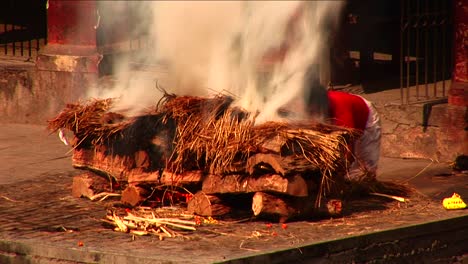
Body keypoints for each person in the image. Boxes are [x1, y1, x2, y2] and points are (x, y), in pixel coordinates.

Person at [325, 89, 381, 181]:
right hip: (340, 116)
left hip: (366, 116)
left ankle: (365, 187)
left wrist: (342, 166)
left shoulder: (340, 105)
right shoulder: (311, 105)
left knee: (366, 168)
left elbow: (347, 140)